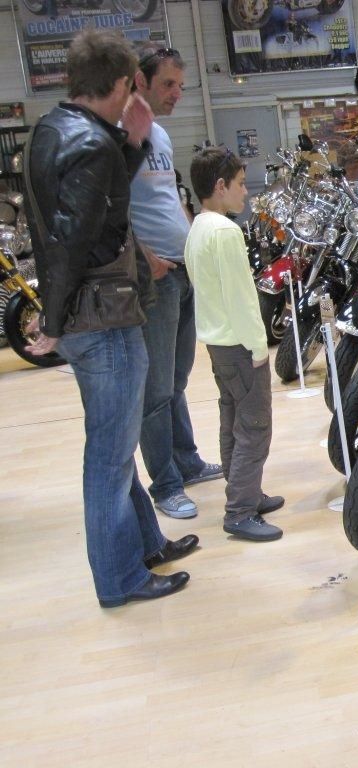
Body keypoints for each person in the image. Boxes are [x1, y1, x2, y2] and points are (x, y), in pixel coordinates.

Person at [24, 30, 197, 608]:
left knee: (113, 448)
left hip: (89, 318)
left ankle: (145, 546)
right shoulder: (93, 143)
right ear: (123, 83)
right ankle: (121, 579)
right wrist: (52, 319)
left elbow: (89, 207)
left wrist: (134, 141)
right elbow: (74, 239)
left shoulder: (52, 130)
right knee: (109, 458)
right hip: (103, 319)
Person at [131, 45, 222, 520]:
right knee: (156, 390)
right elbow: (113, 209)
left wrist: (194, 242)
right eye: (168, 84)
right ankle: (165, 484)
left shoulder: (161, 134)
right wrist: (145, 258)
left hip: (183, 272)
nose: (177, 94)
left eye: (181, 86)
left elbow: (171, 199)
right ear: (139, 81)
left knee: (178, 379)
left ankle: (186, 462)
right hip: (157, 278)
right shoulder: (123, 136)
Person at [184, 147, 284, 542]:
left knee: (233, 421)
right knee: (255, 427)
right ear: (221, 186)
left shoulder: (198, 227)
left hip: (217, 343)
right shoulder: (225, 232)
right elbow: (241, 298)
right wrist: (259, 348)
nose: (246, 191)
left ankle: (244, 493)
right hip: (239, 346)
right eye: (241, 184)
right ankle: (240, 511)